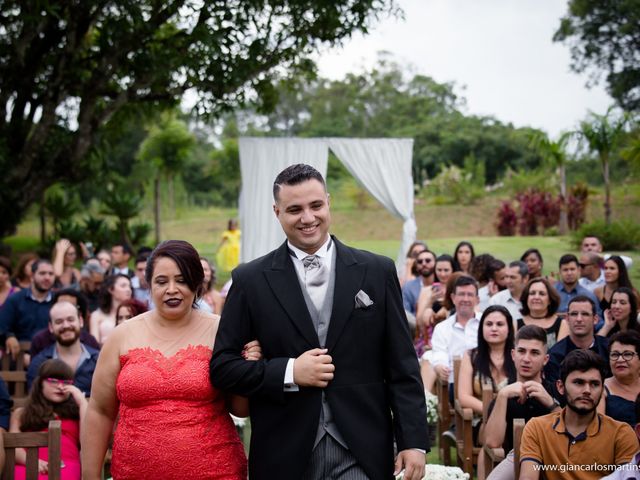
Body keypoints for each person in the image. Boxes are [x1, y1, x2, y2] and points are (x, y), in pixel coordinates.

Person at [210, 164, 428, 480]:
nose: (308, 218)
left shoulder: (376, 271)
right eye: (295, 209)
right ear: (277, 212)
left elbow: (403, 366)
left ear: (328, 201)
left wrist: (414, 442)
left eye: (316, 206)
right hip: (283, 452)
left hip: (361, 451)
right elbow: (222, 367)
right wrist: (289, 372)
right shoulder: (250, 280)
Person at [82, 240, 261, 480]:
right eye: (162, 281)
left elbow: (240, 408)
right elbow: (100, 411)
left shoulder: (223, 332)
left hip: (214, 471)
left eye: (182, 280)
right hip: (134, 472)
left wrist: (249, 368)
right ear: (148, 285)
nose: (172, 289)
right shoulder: (122, 335)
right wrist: (89, 475)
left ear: (198, 283)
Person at [519, 350, 638, 480]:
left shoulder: (621, 433)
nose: (587, 390)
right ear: (561, 387)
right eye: (578, 382)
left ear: (602, 389)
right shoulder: (537, 427)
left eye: (594, 384)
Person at [484, 325, 560, 480]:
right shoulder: (504, 396)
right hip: (516, 464)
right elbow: (492, 442)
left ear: (545, 359)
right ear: (513, 355)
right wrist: (502, 396)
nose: (526, 359)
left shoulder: (555, 392)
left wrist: (550, 403)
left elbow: (576, 429)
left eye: (534, 353)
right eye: (521, 351)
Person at [457, 305, 516, 478]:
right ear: (481, 328)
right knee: (490, 429)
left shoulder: (518, 356)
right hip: (480, 421)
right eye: (489, 324)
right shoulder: (471, 356)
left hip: (513, 420)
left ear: (509, 328)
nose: (494, 328)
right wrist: (492, 410)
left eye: (500, 324)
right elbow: (464, 396)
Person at [11, 359, 86, 480]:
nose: (61, 386)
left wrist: (82, 403)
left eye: (66, 382)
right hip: (27, 463)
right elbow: (13, 447)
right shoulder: (21, 413)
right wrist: (32, 462)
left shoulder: (77, 412)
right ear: (40, 383)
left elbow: (90, 441)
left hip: (66, 465)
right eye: (54, 381)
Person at [544, 296, 610, 406]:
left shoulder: (609, 349)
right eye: (574, 314)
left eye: (585, 314)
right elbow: (557, 395)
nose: (579, 319)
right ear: (567, 318)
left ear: (595, 319)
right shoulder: (555, 355)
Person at [27, 301, 99, 396]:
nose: (66, 326)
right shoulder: (40, 363)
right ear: (51, 327)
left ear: (81, 321)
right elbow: (35, 400)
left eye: (70, 319)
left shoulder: (98, 360)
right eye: (59, 322)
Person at [0, 259, 55, 360]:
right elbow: (2, 326)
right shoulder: (15, 300)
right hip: (19, 359)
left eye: (51, 274)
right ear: (32, 276)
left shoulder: (57, 302)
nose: (47, 277)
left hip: (52, 359)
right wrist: (9, 336)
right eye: (42, 273)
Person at [30, 289, 100, 358]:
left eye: (70, 306)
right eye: (61, 305)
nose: (66, 325)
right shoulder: (40, 341)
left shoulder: (90, 341)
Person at [598, 331, 640, 426]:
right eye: (615, 355)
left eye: (628, 354)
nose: (620, 360)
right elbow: (599, 430)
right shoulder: (600, 388)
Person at [518, 277, 568, 348]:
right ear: (526, 298)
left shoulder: (562, 325)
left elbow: (559, 355)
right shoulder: (515, 324)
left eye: (542, 294)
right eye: (532, 293)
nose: (536, 297)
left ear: (550, 300)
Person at [554, 254, 601, 319]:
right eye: (565, 270)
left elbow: (598, 320)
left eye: (572, 269)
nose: (569, 273)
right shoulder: (552, 293)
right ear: (560, 272)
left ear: (578, 270)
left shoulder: (588, 296)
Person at [89, 274, 132, 345]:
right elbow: (94, 344)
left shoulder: (134, 313)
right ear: (111, 289)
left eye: (130, 286)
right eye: (123, 286)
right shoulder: (96, 315)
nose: (128, 290)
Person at [402, 249, 436, 317]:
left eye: (428, 260)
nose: (424, 264)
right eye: (420, 262)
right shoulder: (408, 287)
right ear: (416, 267)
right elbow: (406, 313)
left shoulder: (442, 283)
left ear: (436, 263)